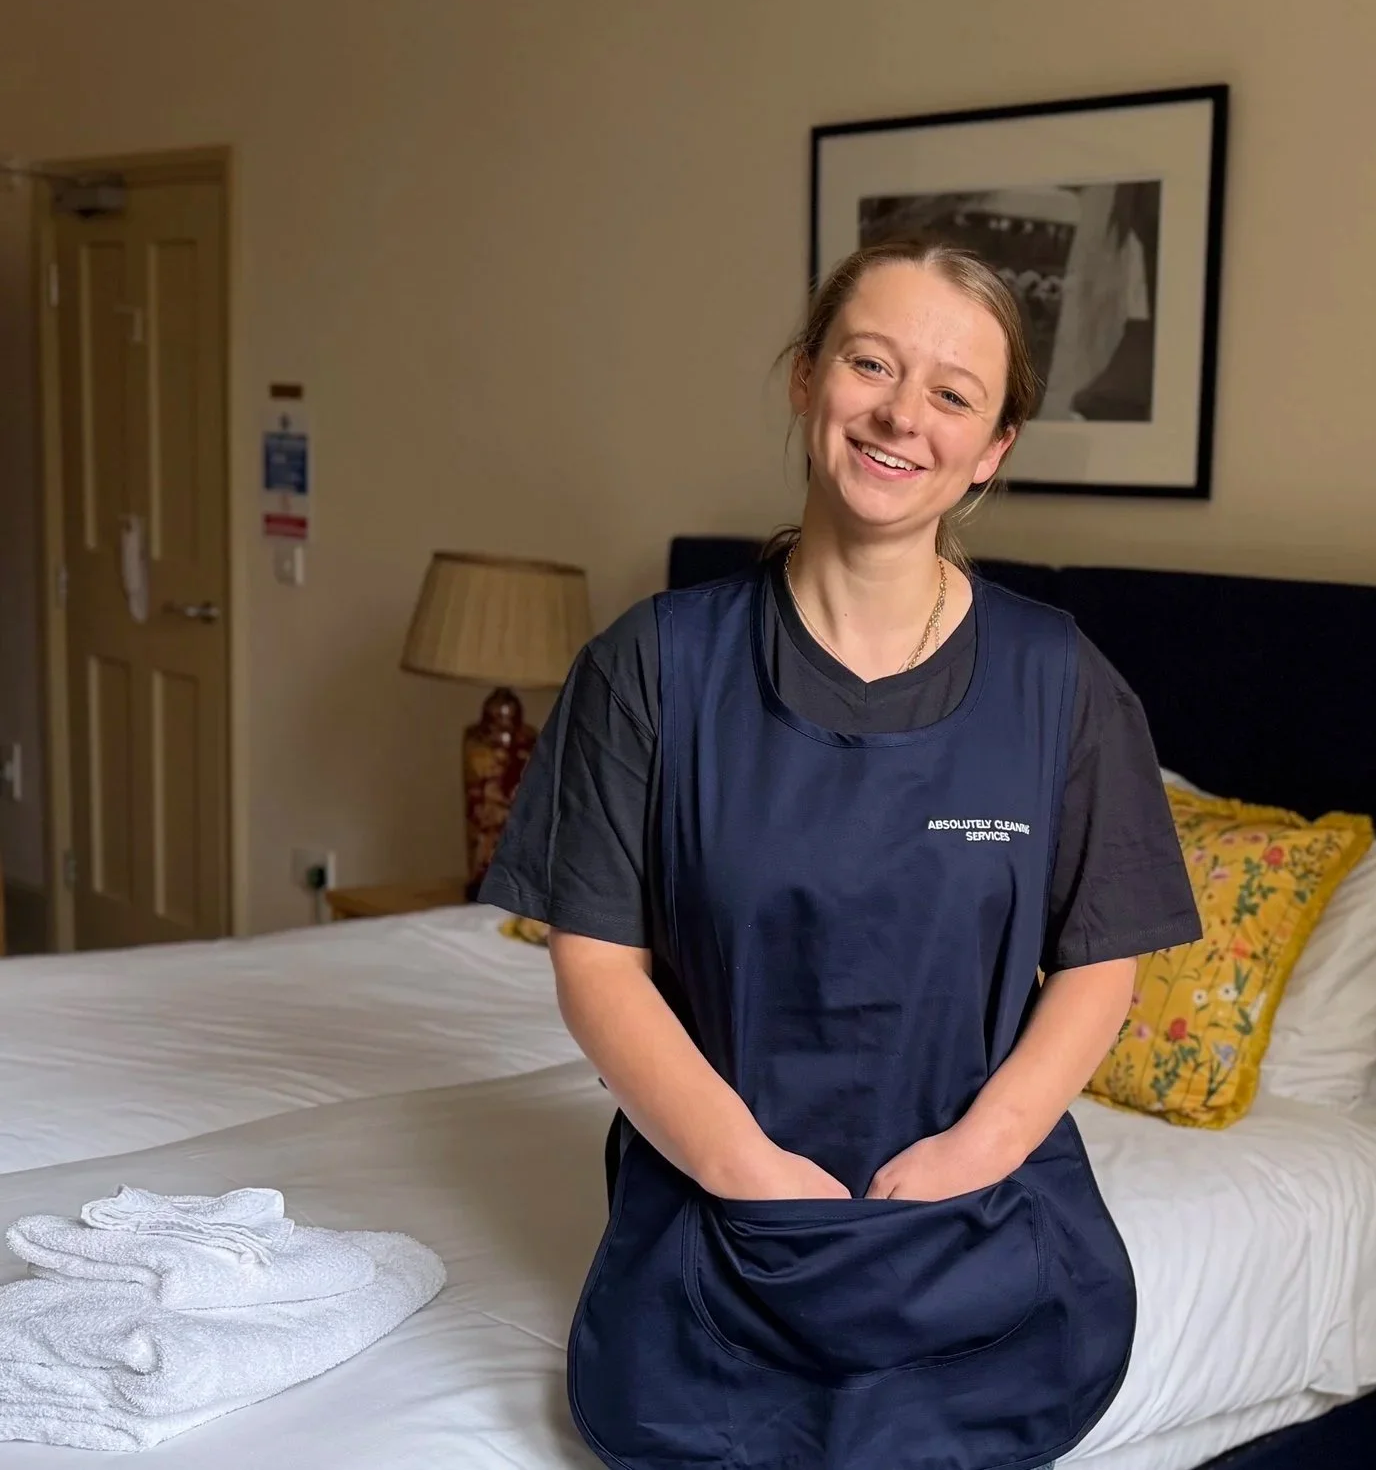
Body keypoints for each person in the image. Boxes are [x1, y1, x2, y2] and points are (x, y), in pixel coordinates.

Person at [481, 241, 1201, 1470]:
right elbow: (597, 965)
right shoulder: (650, 665)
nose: (899, 415)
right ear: (806, 379)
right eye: (870, 363)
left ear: (993, 450)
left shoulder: (1059, 682)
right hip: (719, 1212)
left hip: (976, 1215)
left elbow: (1100, 965)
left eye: (952, 394)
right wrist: (747, 1170)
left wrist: (974, 1154)